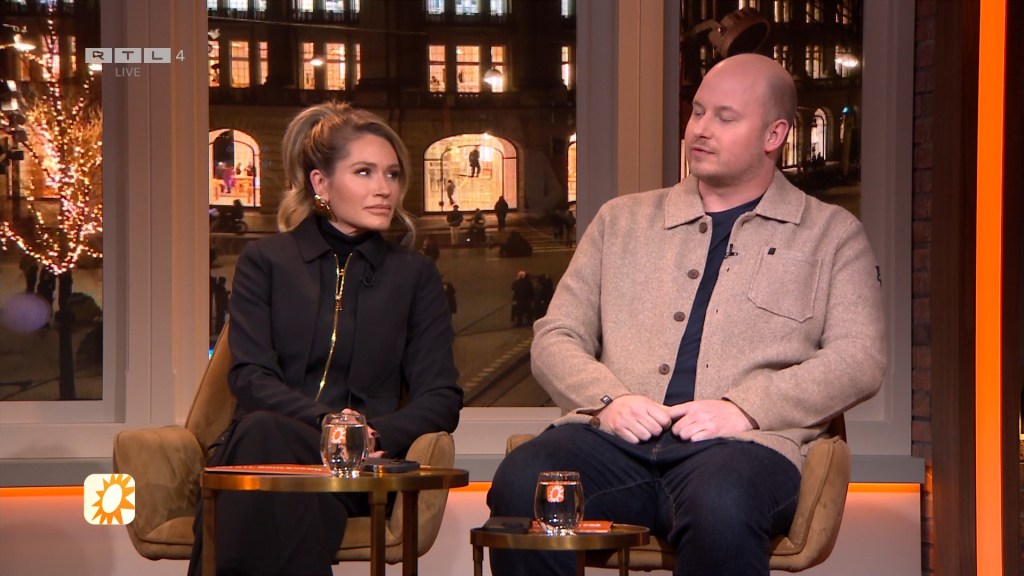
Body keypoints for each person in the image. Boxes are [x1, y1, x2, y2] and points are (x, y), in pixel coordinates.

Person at [487, 54, 886, 576]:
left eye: (725, 117)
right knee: (523, 480)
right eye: (697, 112)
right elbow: (556, 335)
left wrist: (745, 408)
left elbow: (860, 359)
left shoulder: (832, 234)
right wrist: (609, 400)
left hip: (742, 451)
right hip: (613, 445)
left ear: (774, 135)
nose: (699, 128)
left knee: (721, 501)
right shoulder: (620, 221)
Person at [187, 102, 462, 576]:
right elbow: (250, 376)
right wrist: (331, 425)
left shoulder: (414, 276)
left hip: (359, 467)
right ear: (320, 183)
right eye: (364, 172)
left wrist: (369, 437)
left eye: (392, 174)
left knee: (267, 467)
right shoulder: (266, 262)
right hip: (266, 449)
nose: (384, 188)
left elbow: (442, 397)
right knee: (264, 434)